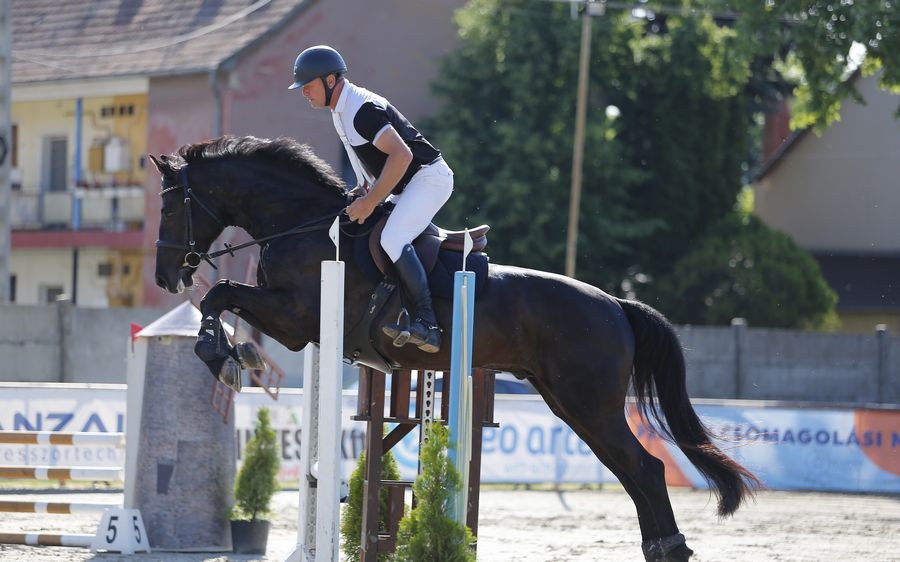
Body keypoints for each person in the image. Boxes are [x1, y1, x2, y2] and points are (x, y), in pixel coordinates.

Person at [289, 45, 453, 353]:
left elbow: (402, 155)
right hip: (406, 184)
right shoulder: (341, 110)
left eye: (307, 85)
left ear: (330, 80)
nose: (304, 92)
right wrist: (364, 192)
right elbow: (368, 164)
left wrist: (370, 202)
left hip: (429, 179)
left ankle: (428, 323)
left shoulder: (361, 110)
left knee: (392, 238)